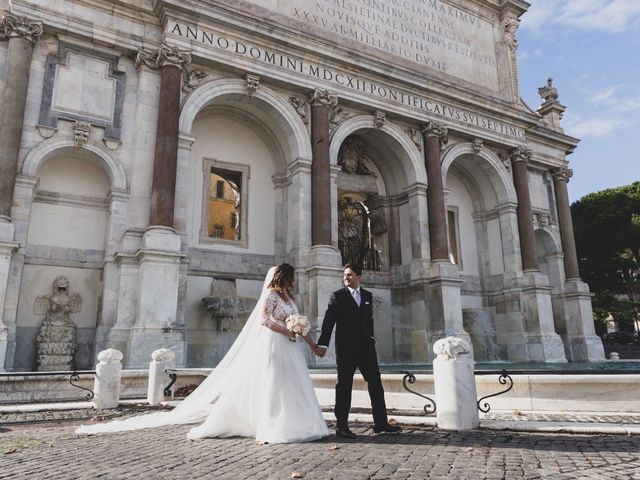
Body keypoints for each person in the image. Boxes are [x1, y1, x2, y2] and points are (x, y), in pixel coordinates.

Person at [76, 264, 329, 444]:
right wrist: (286, 330)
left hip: (290, 345)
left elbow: (298, 322)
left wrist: (310, 343)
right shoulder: (271, 295)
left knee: (294, 385)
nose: (292, 282)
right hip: (276, 343)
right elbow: (264, 320)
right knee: (276, 384)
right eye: (290, 278)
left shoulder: (289, 296)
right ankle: (273, 425)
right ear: (283, 277)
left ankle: (302, 422)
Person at [315, 263, 401, 438]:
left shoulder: (367, 296)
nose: (346, 277)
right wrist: (323, 344)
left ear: (359, 277)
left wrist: (371, 338)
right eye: (345, 275)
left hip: (366, 349)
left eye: (350, 275)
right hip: (346, 349)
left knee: (376, 383)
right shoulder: (337, 296)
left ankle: (381, 423)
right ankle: (341, 426)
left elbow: (368, 321)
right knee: (344, 386)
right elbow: (329, 321)